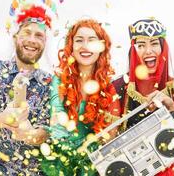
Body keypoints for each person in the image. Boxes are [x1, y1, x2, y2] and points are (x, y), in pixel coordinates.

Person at [0, 0, 57, 175]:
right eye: (26, 33)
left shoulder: (51, 84)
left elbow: (49, 132)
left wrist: (29, 134)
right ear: (15, 36)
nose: (32, 40)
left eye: (39, 35)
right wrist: (1, 119)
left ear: (46, 42)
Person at [40, 19, 121, 176]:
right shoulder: (59, 80)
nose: (85, 46)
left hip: (94, 166)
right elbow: (58, 127)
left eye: (92, 40)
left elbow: (110, 136)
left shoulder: (109, 87)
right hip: (59, 163)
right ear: (71, 46)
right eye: (79, 40)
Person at [112, 18, 174, 176]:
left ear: (163, 48)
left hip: (166, 171)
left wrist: (170, 106)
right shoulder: (118, 86)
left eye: (154, 43)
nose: (148, 51)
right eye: (141, 45)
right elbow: (109, 143)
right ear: (134, 50)